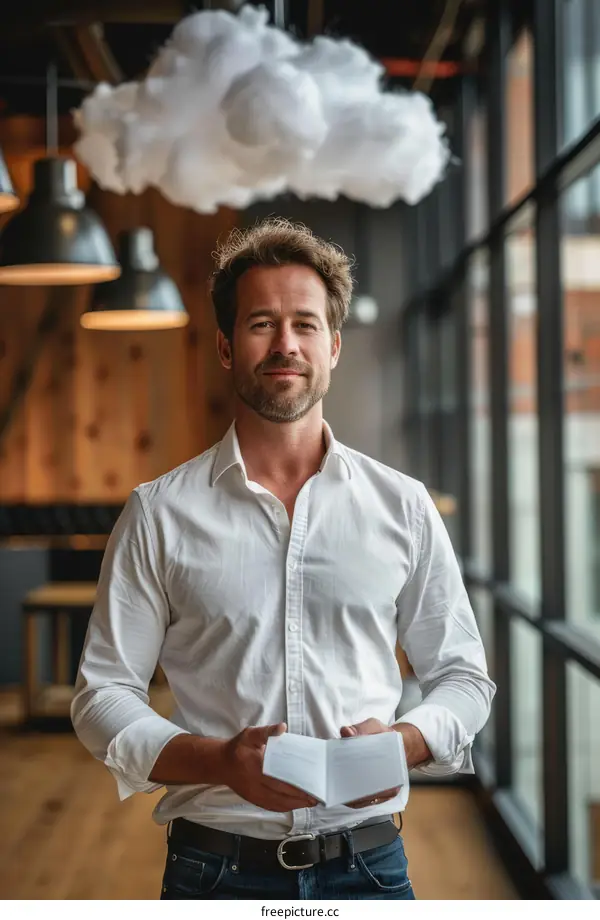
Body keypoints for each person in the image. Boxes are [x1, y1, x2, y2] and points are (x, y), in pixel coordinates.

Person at [71, 218, 496, 901]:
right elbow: (103, 696)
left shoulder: (403, 506)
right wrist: (219, 763)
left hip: (370, 866)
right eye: (261, 323)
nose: (286, 344)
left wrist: (405, 744)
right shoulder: (159, 513)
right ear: (225, 346)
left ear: (334, 346)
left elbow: (463, 677)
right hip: (212, 872)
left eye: (304, 324)